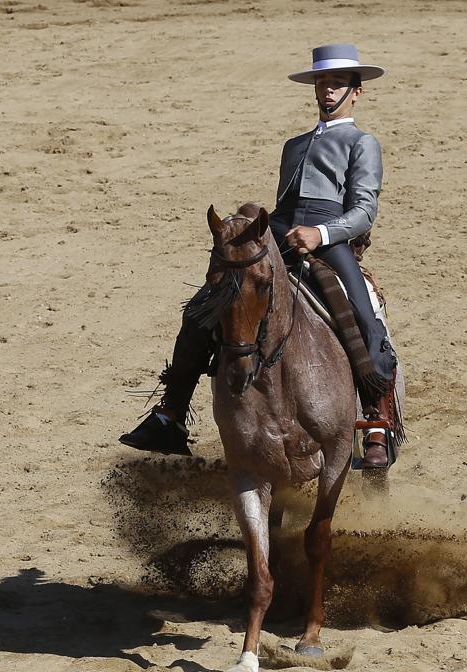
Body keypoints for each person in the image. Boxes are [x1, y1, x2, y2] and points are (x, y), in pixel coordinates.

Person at [121, 44, 398, 467]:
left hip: (330, 240)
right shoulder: (294, 144)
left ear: (356, 92)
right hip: (281, 233)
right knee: (207, 304)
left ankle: (377, 420)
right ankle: (171, 413)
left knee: (361, 309)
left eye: (337, 84)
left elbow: (364, 211)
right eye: (322, 83)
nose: (328, 91)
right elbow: (282, 205)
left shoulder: (363, 143)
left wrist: (321, 233)